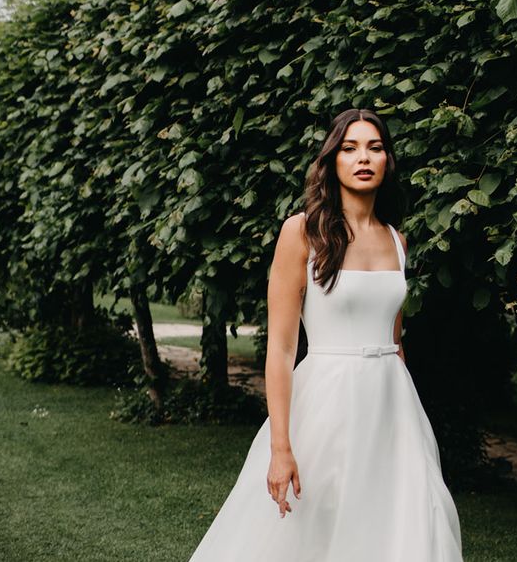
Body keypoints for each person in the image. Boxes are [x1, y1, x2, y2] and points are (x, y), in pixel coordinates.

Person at [188, 108, 463, 561]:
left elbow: (396, 341)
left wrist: (406, 420)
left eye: (375, 148)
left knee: (399, 525)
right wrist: (280, 446)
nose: (363, 158)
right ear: (332, 160)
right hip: (327, 405)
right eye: (350, 148)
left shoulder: (398, 240)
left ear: (388, 161)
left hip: (393, 411)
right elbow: (279, 349)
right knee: (312, 529)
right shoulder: (301, 232)